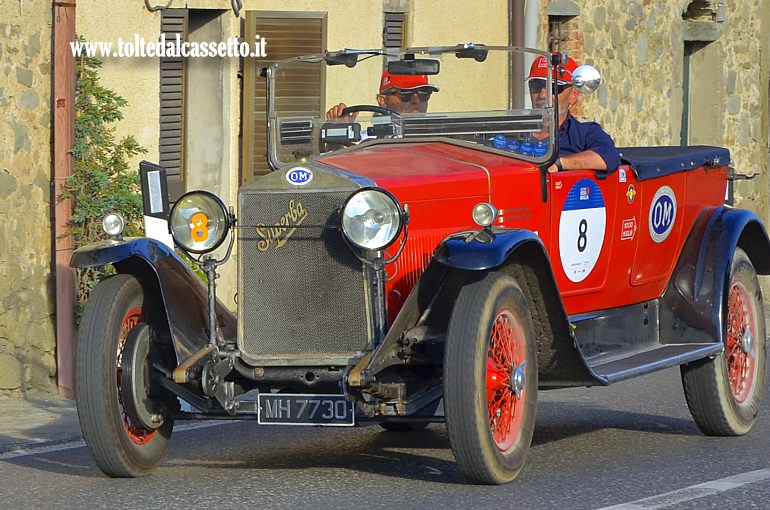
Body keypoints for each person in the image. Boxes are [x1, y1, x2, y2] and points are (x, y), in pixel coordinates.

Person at [527, 54, 620, 173]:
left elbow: (610, 156)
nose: (543, 95)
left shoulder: (584, 133)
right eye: (536, 86)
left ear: (573, 95)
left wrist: (559, 164)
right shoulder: (512, 130)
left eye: (553, 87)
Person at [326, 69, 439, 120]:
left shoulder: (440, 141)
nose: (416, 100)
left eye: (424, 93)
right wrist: (339, 133)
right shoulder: (366, 142)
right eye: (406, 93)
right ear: (383, 101)